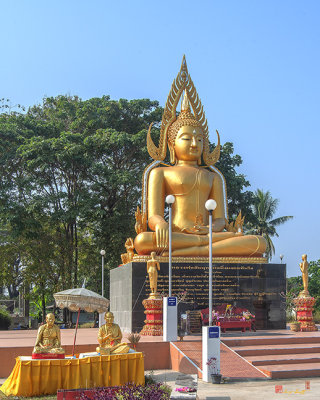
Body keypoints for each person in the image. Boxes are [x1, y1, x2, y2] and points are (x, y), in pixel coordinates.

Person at [134, 59, 266, 257]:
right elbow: (154, 215)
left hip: (207, 235)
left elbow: (220, 220)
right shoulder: (160, 172)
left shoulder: (213, 176)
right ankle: (202, 248)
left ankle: (194, 249)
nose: (195, 144)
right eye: (186, 138)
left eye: (200, 139)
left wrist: (210, 230)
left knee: (259, 242)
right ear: (171, 144)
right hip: (176, 234)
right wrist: (160, 223)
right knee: (142, 241)